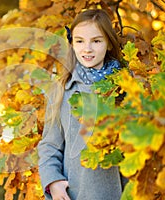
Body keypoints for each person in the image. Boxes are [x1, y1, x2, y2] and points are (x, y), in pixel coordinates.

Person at [37, 9, 127, 200]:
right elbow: (50, 144)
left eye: (96, 41)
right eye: (79, 41)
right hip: (76, 194)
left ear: (109, 43)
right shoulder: (61, 89)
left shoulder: (128, 86)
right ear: (72, 43)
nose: (87, 49)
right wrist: (53, 182)